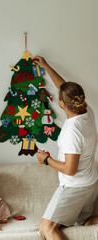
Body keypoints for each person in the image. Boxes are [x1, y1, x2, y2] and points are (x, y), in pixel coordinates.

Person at [34, 56, 98, 240]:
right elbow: (63, 87)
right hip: (90, 183)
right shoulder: (87, 111)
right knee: (83, 223)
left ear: (61, 104)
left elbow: (70, 169)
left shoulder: (72, 131)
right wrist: (46, 66)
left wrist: (46, 160)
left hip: (75, 187)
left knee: (47, 228)